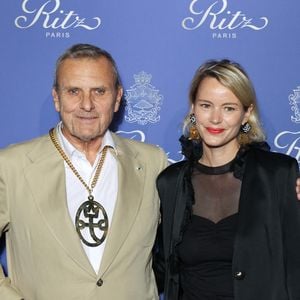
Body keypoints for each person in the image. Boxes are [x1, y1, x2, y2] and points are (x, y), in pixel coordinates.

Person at [0, 43, 168, 300]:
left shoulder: (152, 162)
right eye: (74, 91)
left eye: (99, 91)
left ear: (117, 97)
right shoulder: (11, 165)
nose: (86, 105)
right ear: (57, 98)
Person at [154, 59, 300, 300]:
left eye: (229, 108)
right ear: (193, 109)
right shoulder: (170, 183)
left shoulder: (279, 175)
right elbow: (159, 267)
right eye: (206, 105)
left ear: (246, 114)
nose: (215, 119)